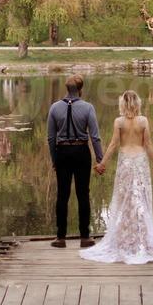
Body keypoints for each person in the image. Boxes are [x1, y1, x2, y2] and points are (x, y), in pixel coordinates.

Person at [80, 90, 153, 265]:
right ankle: (139, 238)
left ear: (123, 104)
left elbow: (113, 144)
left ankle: (126, 239)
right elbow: (147, 144)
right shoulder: (143, 121)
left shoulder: (119, 122)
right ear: (137, 103)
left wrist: (102, 163)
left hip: (126, 163)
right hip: (140, 162)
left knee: (124, 200)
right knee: (140, 198)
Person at [46, 74, 102, 247]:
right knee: (82, 194)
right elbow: (95, 136)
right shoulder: (88, 108)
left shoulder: (54, 108)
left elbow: (50, 137)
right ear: (80, 90)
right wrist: (100, 159)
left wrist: (54, 159)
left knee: (62, 195)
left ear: (66, 89)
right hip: (81, 151)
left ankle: (60, 237)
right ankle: (85, 237)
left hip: (62, 151)